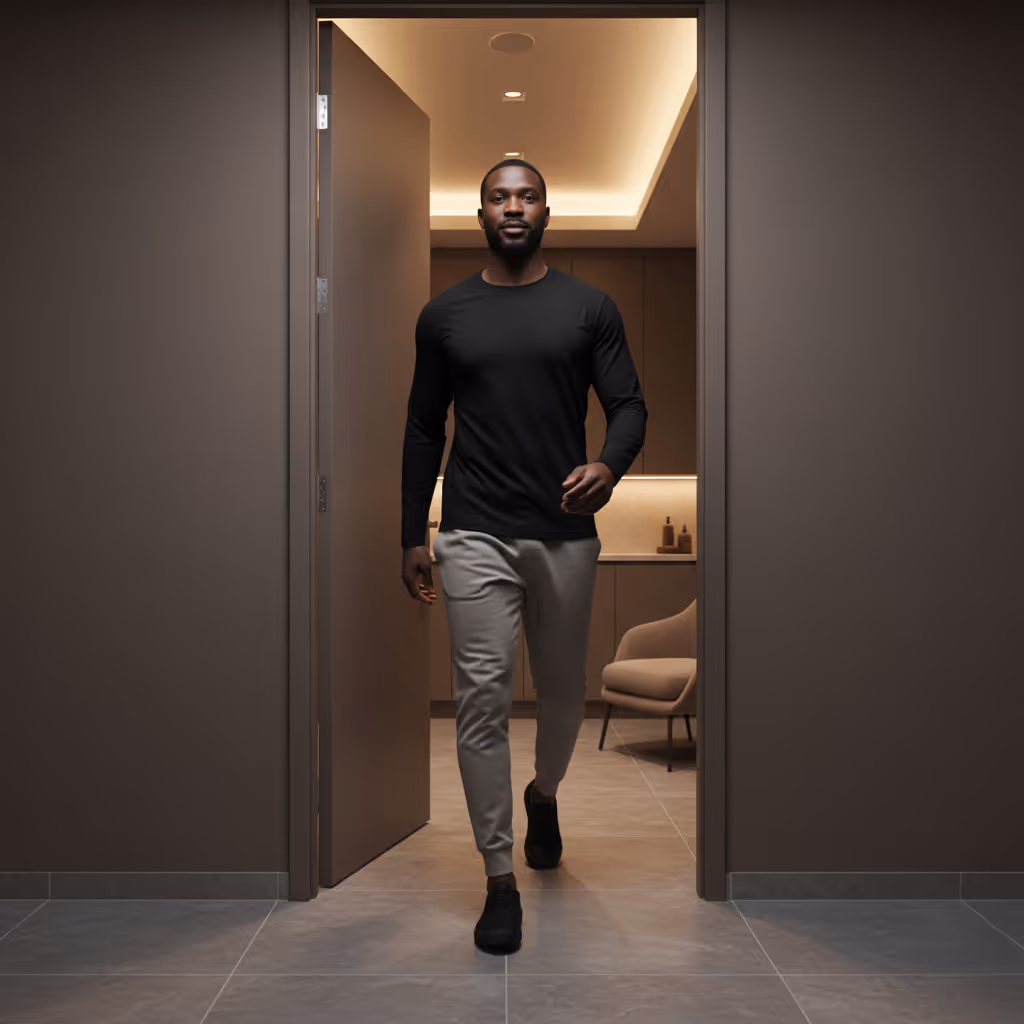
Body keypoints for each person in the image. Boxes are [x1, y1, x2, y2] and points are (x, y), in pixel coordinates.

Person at [400, 159, 647, 955]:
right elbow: (423, 428)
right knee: (482, 702)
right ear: (481, 214)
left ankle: (544, 793)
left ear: (546, 211)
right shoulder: (444, 316)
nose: (514, 206)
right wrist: (412, 533)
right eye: (499, 197)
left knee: (566, 698)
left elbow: (629, 405)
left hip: (564, 531)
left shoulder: (589, 307)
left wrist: (608, 465)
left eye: (527, 195)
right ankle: (499, 879)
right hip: (473, 531)